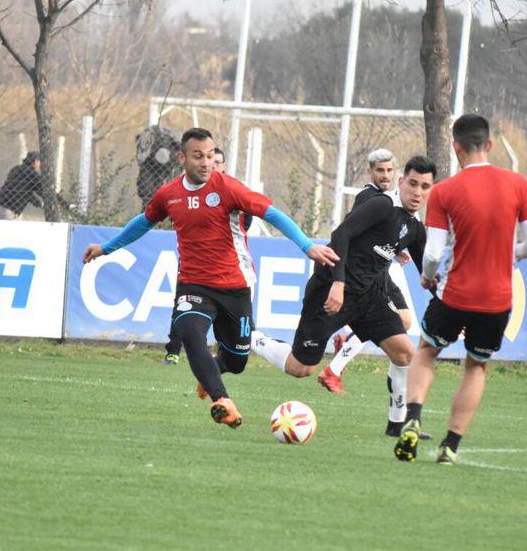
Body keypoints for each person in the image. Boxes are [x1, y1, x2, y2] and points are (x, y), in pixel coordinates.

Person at [83, 128, 338, 428]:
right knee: (190, 333)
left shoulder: (228, 188)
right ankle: (223, 400)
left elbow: (273, 214)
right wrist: (105, 248)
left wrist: (307, 246)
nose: (206, 162)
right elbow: (143, 223)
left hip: (235, 287)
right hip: (193, 284)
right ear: (182, 158)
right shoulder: (169, 195)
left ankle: (212, 372)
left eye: (209, 156)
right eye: (198, 156)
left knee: (237, 362)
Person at [393, 114, 527, 466]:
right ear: (489, 145)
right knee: (476, 367)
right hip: (498, 299)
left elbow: (431, 254)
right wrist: (512, 255)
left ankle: (413, 416)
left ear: (456, 147)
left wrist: (428, 277)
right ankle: (451, 446)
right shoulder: (518, 184)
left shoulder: (444, 191)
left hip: (456, 293)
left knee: (427, 352)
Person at [250, 156, 436, 437]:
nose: (418, 192)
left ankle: (396, 427)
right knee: (301, 368)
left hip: (370, 296)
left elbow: (427, 276)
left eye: (425, 186)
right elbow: (342, 234)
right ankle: (253, 338)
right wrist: (338, 283)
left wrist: (451, 300)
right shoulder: (382, 204)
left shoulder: (416, 229)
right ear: (401, 182)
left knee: (404, 353)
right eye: (413, 184)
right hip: (330, 290)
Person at [316, 148, 418, 398]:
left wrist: (394, 250)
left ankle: (342, 352)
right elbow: (350, 233)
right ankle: (335, 367)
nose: (385, 175)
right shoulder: (369, 197)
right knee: (402, 322)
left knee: (404, 320)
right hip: (366, 273)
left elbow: (374, 233)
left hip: (380, 268)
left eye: (389, 170)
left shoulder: (389, 200)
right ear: (370, 172)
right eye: (380, 170)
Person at [163, 146, 230, 364]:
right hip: (194, 269)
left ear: (223, 166)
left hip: (229, 270)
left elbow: (249, 220)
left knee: (238, 346)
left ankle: (227, 353)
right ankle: (173, 350)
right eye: (204, 158)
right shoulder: (177, 191)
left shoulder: (230, 190)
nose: (210, 164)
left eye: (215, 160)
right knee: (184, 309)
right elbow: (151, 217)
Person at [0, 152, 45, 220]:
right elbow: (42, 190)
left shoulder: (16, 168)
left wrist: (40, 203)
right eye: (40, 162)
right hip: (8, 209)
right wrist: (46, 202)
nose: (40, 165)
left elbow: (26, 193)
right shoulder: (32, 174)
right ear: (36, 161)